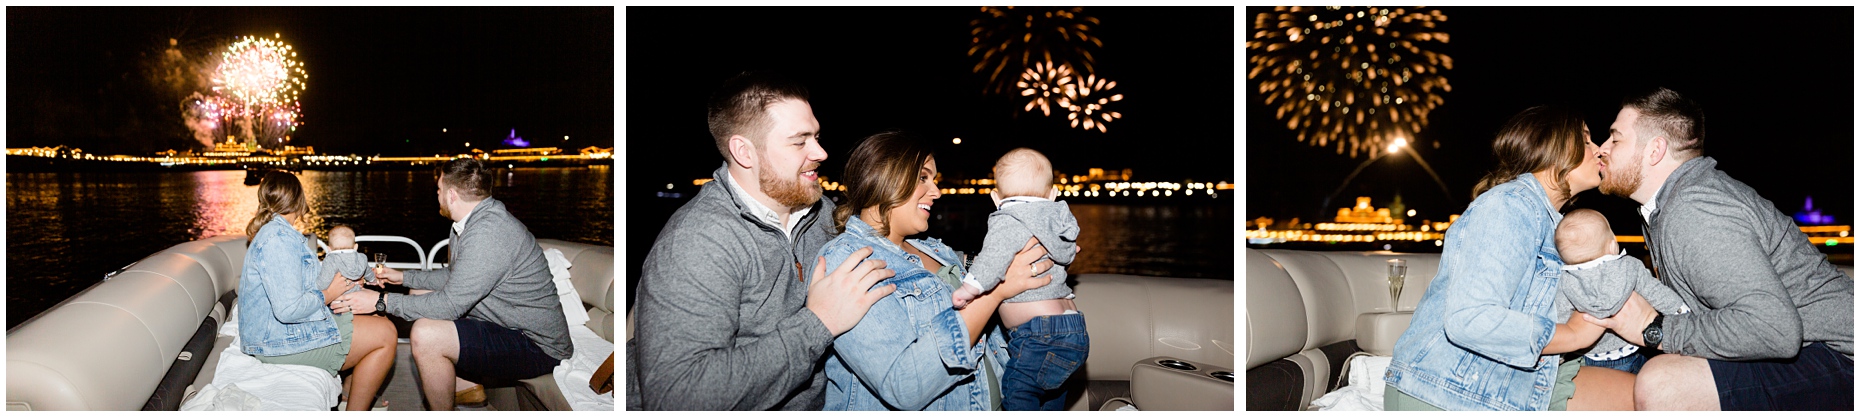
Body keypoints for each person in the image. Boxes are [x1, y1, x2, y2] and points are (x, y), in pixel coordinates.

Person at [625, 72, 897, 410]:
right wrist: (819, 323)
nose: (821, 152)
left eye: (816, 136)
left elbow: (891, 252)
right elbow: (677, 397)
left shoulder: (822, 214)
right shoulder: (698, 242)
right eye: (800, 141)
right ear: (744, 152)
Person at [1585, 87, 1853, 410]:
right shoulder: (1665, 208)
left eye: (1615, 138)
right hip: (1812, 351)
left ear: (1655, 150)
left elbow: (1775, 329)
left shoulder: (1693, 208)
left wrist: (1655, 329)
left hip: (1841, 357)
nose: (1602, 148)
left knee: (1663, 385)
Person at [1383, 105, 1636, 411]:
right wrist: (1572, 335)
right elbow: (1471, 319)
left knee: (1651, 385)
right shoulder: (1510, 206)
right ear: (1553, 148)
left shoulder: (1550, 222)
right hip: (1445, 391)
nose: (1599, 149)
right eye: (1585, 140)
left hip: (1514, 378)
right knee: (1651, 394)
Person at [819, 131, 1056, 411]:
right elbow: (904, 385)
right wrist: (995, 292)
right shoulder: (849, 258)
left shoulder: (933, 250)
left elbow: (976, 267)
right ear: (885, 176)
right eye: (923, 177)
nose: (937, 191)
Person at [332, 157, 574, 411]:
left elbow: (449, 305)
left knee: (426, 335)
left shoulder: (488, 233)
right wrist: (403, 277)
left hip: (536, 345)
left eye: (438, 191)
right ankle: (463, 387)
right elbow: (454, 276)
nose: (437, 197)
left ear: (451, 195)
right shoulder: (469, 223)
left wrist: (381, 301)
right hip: (508, 324)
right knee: (419, 292)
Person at [238, 171, 395, 411]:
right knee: (386, 334)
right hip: (275, 342)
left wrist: (347, 286)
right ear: (300, 201)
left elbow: (298, 287)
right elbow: (288, 310)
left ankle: (349, 395)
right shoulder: (277, 240)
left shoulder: (280, 234)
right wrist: (329, 294)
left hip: (277, 332)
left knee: (374, 316)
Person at [948, 147, 1087, 410]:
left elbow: (993, 259)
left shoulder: (1008, 219)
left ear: (995, 197)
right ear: (1053, 194)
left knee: (1016, 394)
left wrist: (969, 288)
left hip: (1039, 334)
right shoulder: (1059, 217)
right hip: (1075, 328)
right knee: (1052, 394)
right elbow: (1068, 254)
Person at [1552, 208, 1688, 374]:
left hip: (1590, 357)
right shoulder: (1629, 266)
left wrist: (1561, 355)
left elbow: (1560, 317)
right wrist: (1680, 310)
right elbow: (1656, 292)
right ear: (1612, 245)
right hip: (1629, 349)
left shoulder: (1565, 281)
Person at [321, 226, 378, 294]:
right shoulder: (362, 258)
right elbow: (368, 272)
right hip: (357, 293)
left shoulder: (330, 260)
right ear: (356, 247)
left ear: (329, 249)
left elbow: (323, 282)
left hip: (338, 297)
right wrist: (373, 280)